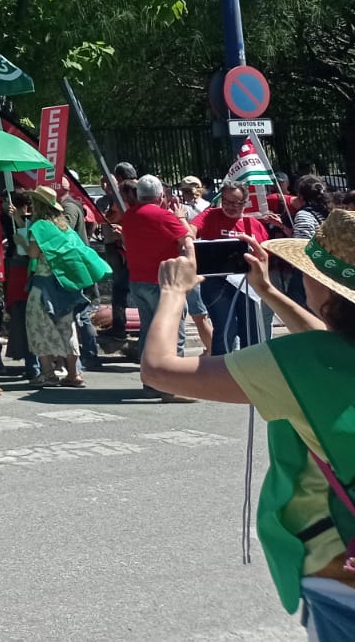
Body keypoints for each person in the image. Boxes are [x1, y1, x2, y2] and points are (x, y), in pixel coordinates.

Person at [142, 211, 355, 637]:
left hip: (340, 567)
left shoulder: (295, 364)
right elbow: (326, 343)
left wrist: (173, 292)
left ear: (329, 295)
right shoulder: (324, 357)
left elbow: (159, 369)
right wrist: (269, 293)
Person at [21, 187, 110, 389]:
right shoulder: (64, 228)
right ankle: (74, 373)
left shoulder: (39, 227)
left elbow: (34, 254)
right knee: (67, 329)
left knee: (39, 327)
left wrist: (22, 242)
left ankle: (48, 373)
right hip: (66, 285)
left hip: (43, 285)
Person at [120, 174, 196, 402]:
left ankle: (151, 382)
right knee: (173, 332)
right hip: (162, 283)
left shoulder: (130, 215)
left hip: (138, 280)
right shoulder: (164, 216)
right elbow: (188, 237)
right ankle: (171, 386)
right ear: (161, 195)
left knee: (149, 333)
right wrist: (180, 217)